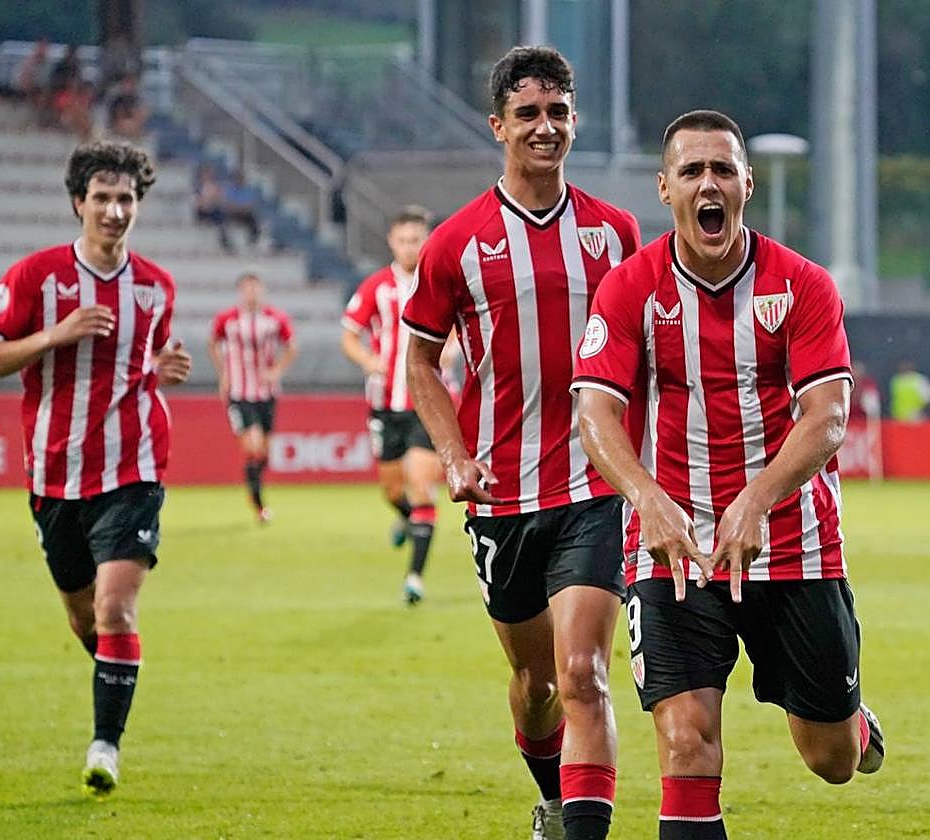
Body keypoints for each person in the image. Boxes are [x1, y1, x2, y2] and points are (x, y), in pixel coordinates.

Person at [571, 110, 885, 839]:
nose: (707, 184)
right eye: (691, 171)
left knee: (828, 758)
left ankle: (854, 725)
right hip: (674, 549)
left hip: (794, 545)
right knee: (686, 743)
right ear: (665, 189)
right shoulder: (629, 289)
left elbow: (828, 416)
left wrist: (758, 499)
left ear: (747, 182)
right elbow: (594, 412)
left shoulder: (802, 285)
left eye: (722, 170)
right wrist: (646, 497)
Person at [403, 46, 641, 840]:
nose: (546, 128)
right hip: (502, 496)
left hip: (595, 487)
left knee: (584, 674)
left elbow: (648, 349)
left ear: (575, 121)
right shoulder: (456, 243)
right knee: (534, 683)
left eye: (559, 112)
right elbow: (420, 359)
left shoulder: (616, 233)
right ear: (498, 125)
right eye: (529, 115)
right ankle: (551, 792)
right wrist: (453, 453)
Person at [0, 141, 192, 798]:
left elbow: (143, 365)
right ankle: (118, 677)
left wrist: (163, 373)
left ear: (137, 206)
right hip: (55, 476)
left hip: (134, 467)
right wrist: (54, 336)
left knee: (115, 608)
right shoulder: (36, 276)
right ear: (79, 203)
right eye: (102, 198)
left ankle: (105, 746)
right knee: (82, 619)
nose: (115, 210)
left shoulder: (156, 286)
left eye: (126, 199)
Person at [341, 206, 447, 604]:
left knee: (422, 485)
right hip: (386, 403)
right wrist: (369, 361)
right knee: (391, 489)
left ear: (426, 240)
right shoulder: (376, 287)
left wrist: (451, 348)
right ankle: (407, 520)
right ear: (391, 242)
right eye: (403, 240)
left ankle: (415, 578)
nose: (409, 247)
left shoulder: (440, 282)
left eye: (416, 240)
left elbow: (463, 327)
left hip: (430, 402)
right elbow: (349, 334)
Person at [207, 271, 297, 523]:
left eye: (255, 288)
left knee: (264, 452)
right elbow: (212, 342)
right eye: (246, 289)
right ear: (240, 292)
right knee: (253, 445)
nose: (251, 293)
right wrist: (223, 373)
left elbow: (292, 346)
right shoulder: (227, 319)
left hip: (267, 394)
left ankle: (255, 491)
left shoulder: (275, 318)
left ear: (261, 290)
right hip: (239, 393)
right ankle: (258, 503)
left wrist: (277, 370)